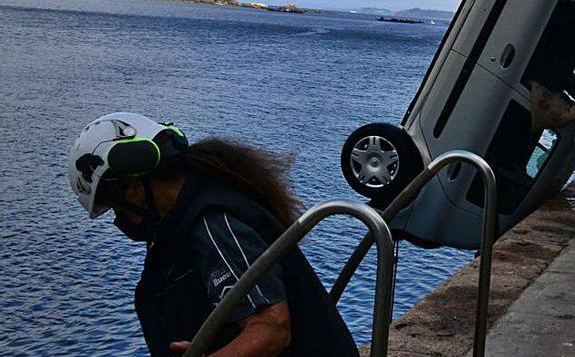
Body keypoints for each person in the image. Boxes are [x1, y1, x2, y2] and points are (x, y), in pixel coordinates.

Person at [68, 112, 358, 356]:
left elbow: (271, 326)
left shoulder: (214, 221)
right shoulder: (191, 215)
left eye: (116, 209)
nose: (121, 222)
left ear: (130, 187)